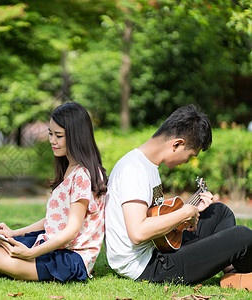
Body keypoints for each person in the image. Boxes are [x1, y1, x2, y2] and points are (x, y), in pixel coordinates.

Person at [105, 104, 252, 289]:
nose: (187, 162)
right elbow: (138, 233)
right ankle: (240, 273)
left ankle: (231, 272)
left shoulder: (147, 165)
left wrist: (189, 214)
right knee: (243, 236)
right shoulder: (133, 170)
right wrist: (184, 214)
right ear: (177, 144)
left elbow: (154, 218)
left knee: (219, 212)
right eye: (190, 155)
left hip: (159, 248)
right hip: (148, 266)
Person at [0, 102, 108, 282]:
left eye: (58, 135)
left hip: (70, 256)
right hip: (52, 241)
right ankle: (2, 263)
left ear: (77, 137)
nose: (52, 140)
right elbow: (54, 219)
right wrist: (13, 233)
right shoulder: (68, 167)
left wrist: (31, 253)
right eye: (50, 133)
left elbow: (72, 230)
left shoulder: (83, 175)